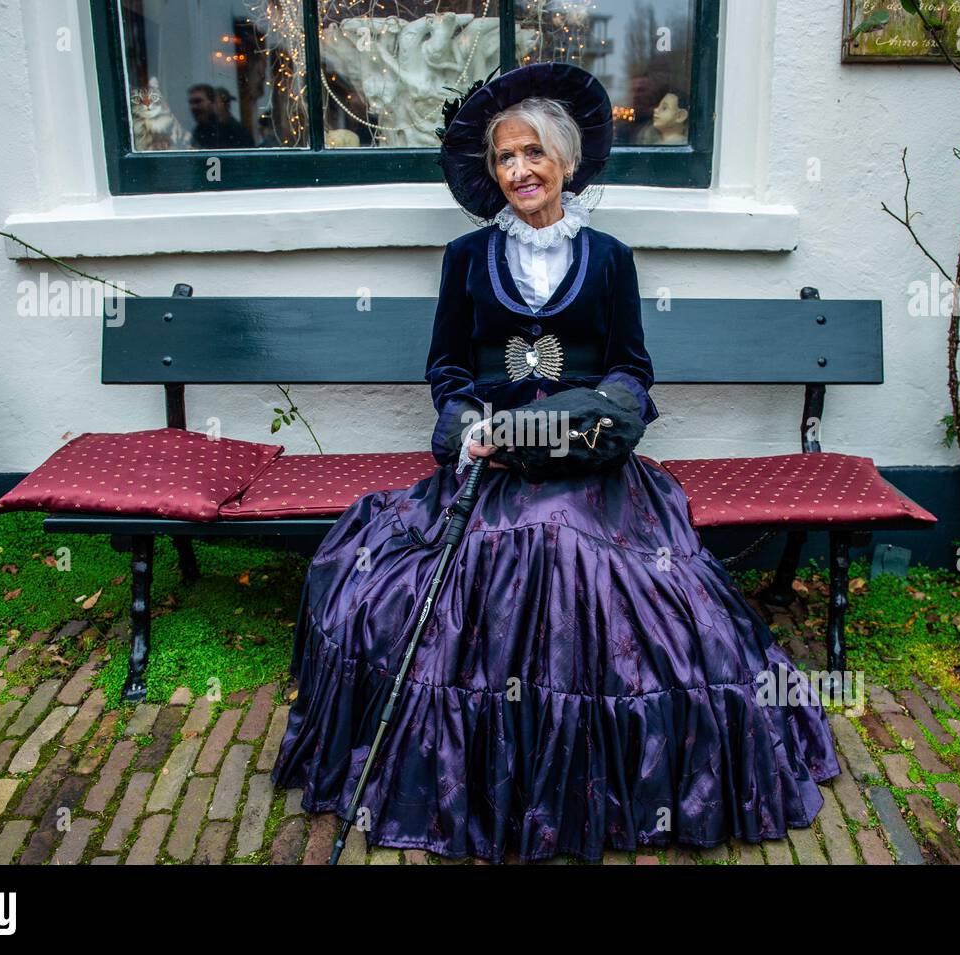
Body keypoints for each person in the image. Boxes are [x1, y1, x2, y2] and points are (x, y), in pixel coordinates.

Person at [270, 62, 840, 863]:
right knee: (475, 561)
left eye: (533, 153)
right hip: (492, 464)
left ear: (565, 161)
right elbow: (446, 369)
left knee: (585, 553)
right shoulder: (467, 260)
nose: (519, 171)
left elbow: (633, 369)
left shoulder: (608, 259)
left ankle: (588, 773)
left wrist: (593, 412)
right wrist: (468, 424)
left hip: (588, 466)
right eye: (504, 158)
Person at [187, 83, 254, 149]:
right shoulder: (199, 131)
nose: (194, 107)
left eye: (198, 101)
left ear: (213, 103)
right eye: (191, 103)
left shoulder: (234, 131)